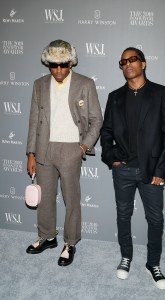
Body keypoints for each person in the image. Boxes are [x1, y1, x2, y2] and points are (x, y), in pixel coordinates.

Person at [100, 47, 165, 289]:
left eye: (133, 59)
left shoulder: (161, 93)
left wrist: (161, 171)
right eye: (123, 61)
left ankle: (153, 263)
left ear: (144, 63)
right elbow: (106, 131)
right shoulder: (114, 97)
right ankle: (126, 257)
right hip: (122, 170)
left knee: (155, 219)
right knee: (123, 215)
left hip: (151, 170)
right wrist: (111, 158)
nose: (128, 64)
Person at [26, 39, 103, 266]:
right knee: (45, 198)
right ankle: (47, 236)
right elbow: (33, 122)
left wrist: (83, 146)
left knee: (72, 199)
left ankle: (70, 243)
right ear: (47, 64)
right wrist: (31, 152)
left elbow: (96, 120)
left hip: (71, 149)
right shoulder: (39, 85)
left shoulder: (85, 84)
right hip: (43, 148)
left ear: (72, 63)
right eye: (53, 65)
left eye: (63, 64)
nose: (58, 70)